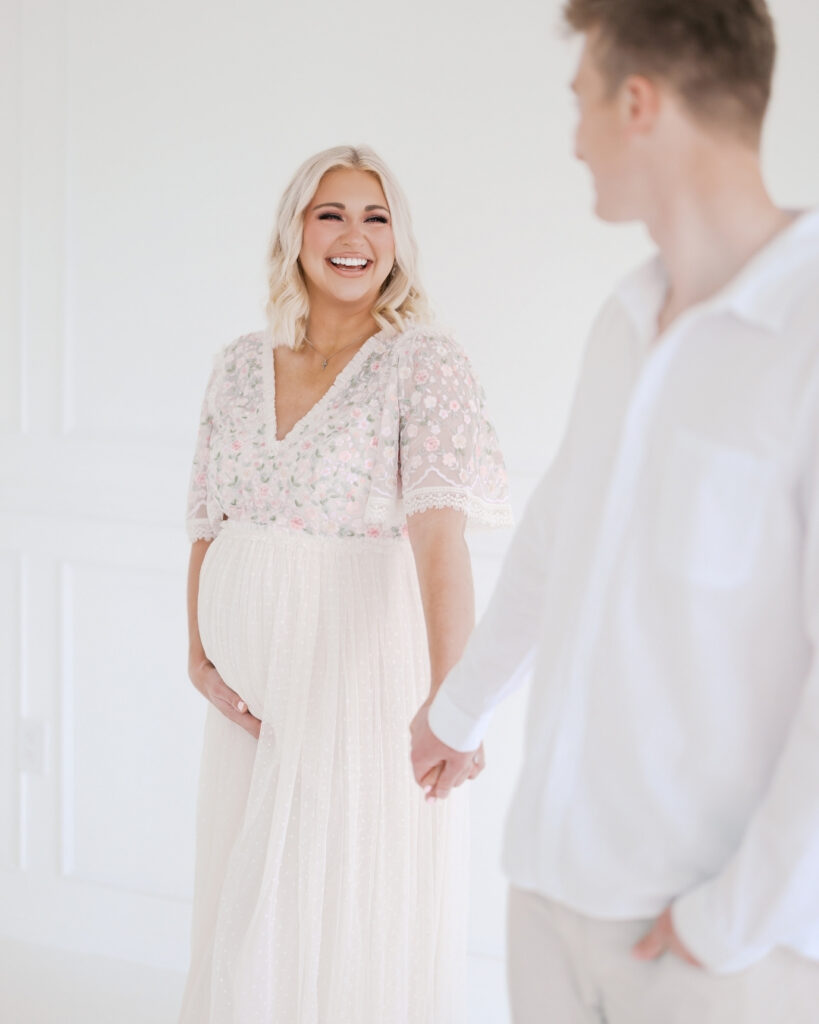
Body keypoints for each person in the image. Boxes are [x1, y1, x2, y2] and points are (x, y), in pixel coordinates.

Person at [411, 2, 819, 1021]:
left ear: (639, 103)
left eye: (581, 100)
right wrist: (457, 710)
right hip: (548, 896)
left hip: (711, 944)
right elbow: (556, 540)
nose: (576, 139)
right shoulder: (624, 322)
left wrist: (731, 922)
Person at [179, 144, 512, 1023]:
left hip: (358, 686)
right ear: (295, 229)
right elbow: (209, 523)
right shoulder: (238, 365)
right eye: (331, 213)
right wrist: (197, 654)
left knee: (333, 905)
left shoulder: (421, 364)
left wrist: (452, 698)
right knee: (247, 911)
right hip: (250, 705)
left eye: (375, 216)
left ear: (398, 240)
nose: (353, 235)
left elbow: (442, 547)